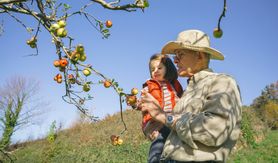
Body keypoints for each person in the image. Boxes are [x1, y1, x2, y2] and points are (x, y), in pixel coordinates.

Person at [139, 29, 242, 163]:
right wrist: (153, 126)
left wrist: (163, 116)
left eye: (180, 54)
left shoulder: (223, 82)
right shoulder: (185, 93)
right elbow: (174, 128)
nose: (175, 60)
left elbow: (214, 129)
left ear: (199, 56)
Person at [140, 54, 183, 163]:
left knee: (174, 145)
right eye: (152, 69)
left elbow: (181, 97)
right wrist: (135, 103)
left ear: (168, 68)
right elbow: (143, 101)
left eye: (159, 68)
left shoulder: (175, 84)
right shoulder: (149, 85)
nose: (156, 71)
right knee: (159, 143)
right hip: (156, 121)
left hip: (172, 119)